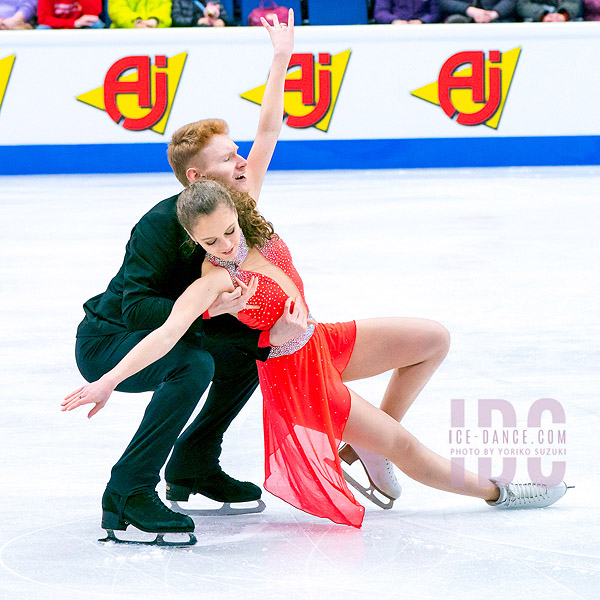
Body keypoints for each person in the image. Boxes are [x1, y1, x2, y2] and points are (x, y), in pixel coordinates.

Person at [64, 179, 570, 528]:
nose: (222, 244)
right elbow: (169, 332)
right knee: (408, 447)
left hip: (323, 340)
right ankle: (499, 492)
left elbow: (266, 135)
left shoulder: (254, 221)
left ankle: (371, 443)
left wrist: (281, 60)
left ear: (239, 211)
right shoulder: (214, 280)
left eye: (228, 231)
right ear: (193, 239)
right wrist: (108, 379)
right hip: (298, 376)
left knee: (432, 338)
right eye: (208, 240)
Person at [64, 11, 298, 545]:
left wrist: (280, 59)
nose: (240, 159)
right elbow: (134, 310)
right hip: (109, 341)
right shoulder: (157, 224)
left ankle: (193, 462)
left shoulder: (236, 201)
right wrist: (206, 310)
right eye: (227, 156)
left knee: (249, 349)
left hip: (177, 323)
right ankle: (127, 490)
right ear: (196, 176)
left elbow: (269, 131)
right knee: (191, 363)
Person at [36, 0, 104, 28]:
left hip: (80, 26)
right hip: (55, 27)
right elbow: (43, 19)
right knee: (42, 28)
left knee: (95, 23)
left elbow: (93, 15)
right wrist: (73, 23)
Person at [440, 0, 515, 22]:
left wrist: (494, 14)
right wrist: (470, 10)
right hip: (460, 15)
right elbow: (443, 2)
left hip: (498, 17)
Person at [374, 0, 440, 24]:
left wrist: (422, 21)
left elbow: (435, 13)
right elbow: (380, 12)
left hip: (422, 30)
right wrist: (394, 20)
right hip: (395, 30)